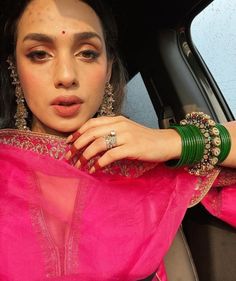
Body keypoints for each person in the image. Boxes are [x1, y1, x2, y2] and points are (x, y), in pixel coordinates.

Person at [0, 0, 235, 280]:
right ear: (15, 69)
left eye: (87, 53)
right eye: (39, 54)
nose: (66, 76)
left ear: (108, 68)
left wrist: (172, 141)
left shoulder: (149, 171)